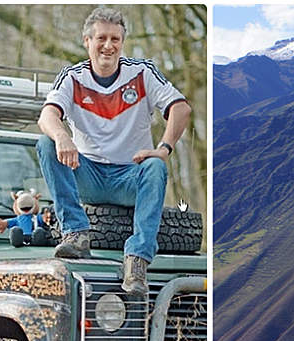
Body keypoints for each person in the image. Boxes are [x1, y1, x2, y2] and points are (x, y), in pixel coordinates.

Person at [37, 7, 192, 296]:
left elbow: (181, 108)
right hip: (88, 175)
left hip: (129, 177)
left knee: (156, 167)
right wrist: (62, 136)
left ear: (122, 42)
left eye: (115, 39)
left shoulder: (142, 72)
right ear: (87, 41)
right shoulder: (72, 77)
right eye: (101, 38)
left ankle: (137, 261)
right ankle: (77, 233)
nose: (108, 46)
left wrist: (164, 148)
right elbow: (47, 116)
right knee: (45, 143)